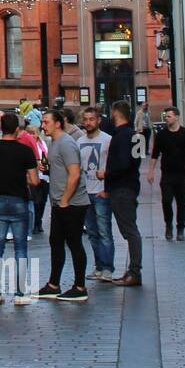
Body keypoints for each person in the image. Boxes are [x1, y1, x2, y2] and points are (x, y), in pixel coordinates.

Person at [0, 112, 39, 305]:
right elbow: (35, 180)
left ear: (0, 127)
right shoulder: (25, 151)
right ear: (16, 129)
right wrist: (22, 178)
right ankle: (20, 295)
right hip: (19, 202)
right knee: (21, 249)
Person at [33, 109, 90, 302]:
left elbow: (74, 174)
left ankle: (80, 287)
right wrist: (47, 169)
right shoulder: (54, 143)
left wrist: (65, 199)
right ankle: (53, 284)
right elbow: (61, 171)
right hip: (59, 202)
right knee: (56, 242)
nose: (43, 125)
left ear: (58, 123)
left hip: (72, 203)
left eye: (46, 122)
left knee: (74, 243)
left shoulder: (66, 143)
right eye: (43, 122)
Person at [101, 101, 143, 286]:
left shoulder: (119, 136)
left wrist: (106, 174)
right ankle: (133, 271)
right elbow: (137, 162)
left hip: (122, 189)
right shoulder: (135, 135)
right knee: (131, 230)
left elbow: (122, 164)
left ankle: (135, 272)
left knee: (130, 231)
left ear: (115, 113)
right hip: (131, 187)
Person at [148, 106, 185, 240]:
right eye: (165, 117)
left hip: (182, 174)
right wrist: (151, 171)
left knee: (181, 202)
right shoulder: (161, 135)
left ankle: (180, 228)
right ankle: (168, 225)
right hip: (167, 174)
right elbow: (155, 154)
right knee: (166, 200)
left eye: (169, 116)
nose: (166, 118)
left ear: (177, 117)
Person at [77, 106, 115, 282]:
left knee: (104, 230)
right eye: (85, 119)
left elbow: (115, 166)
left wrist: (107, 188)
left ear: (98, 120)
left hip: (101, 192)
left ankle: (108, 268)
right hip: (85, 193)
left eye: (91, 119)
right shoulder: (79, 141)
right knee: (92, 232)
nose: (88, 122)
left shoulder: (108, 140)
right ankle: (99, 266)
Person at [19, 115, 50, 235]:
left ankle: (39, 221)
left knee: (43, 201)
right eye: (30, 133)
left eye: (34, 133)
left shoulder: (44, 143)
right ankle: (34, 223)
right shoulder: (26, 146)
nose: (32, 135)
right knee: (35, 201)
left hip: (45, 176)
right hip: (33, 176)